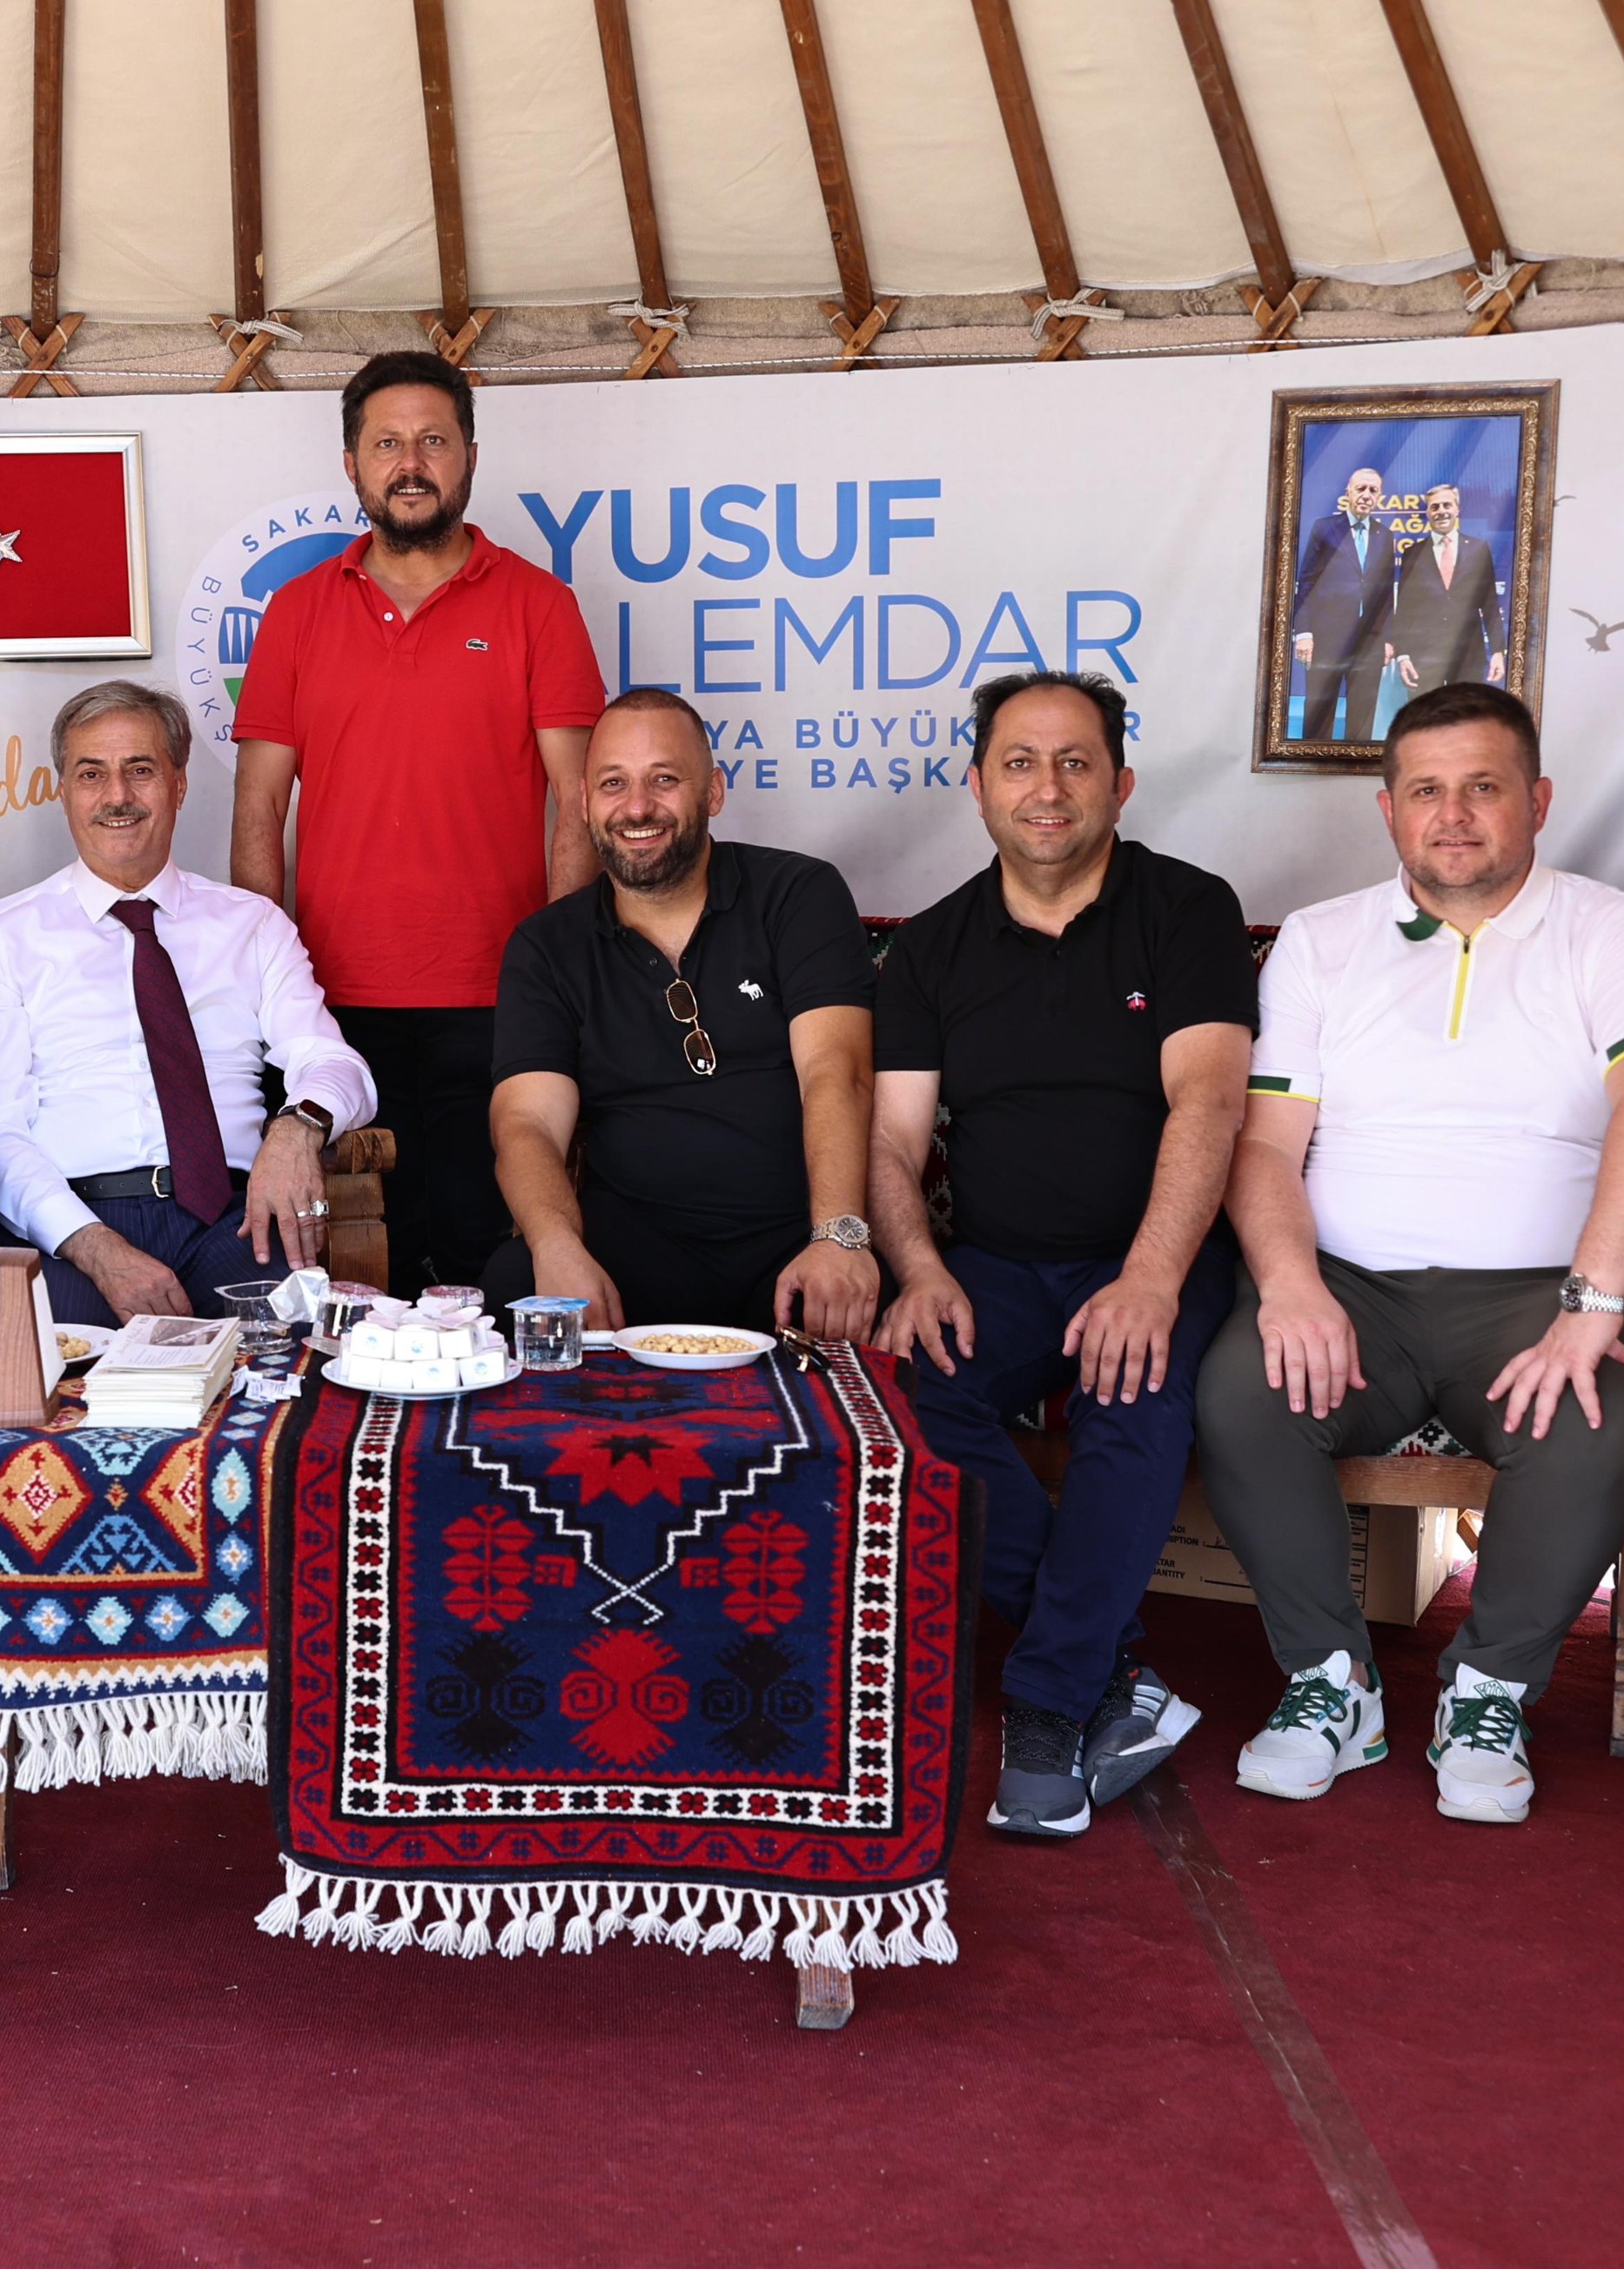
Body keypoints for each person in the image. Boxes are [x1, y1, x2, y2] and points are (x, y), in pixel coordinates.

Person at [1196, 682, 1624, 1825]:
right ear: (1388, 811)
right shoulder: (1321, 939)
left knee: (1588, 1423)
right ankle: (1332, 1683)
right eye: (1426, 790)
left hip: (1539, 1294)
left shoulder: (1617, 930)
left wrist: (1591, 1304)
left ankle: (1489, 1693)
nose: (1453, 813)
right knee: (1241, 1391)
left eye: (1483, 786)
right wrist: (1289, 1285)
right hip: (1352, 1289)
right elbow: (1264, 1145)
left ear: (1540, 800)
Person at [870, 673, 1254, 1839]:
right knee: (903, 1393)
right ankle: (1112, 1667)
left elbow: (1208, 1101)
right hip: (991, 1263)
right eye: (1021, 762)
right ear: (978, 784)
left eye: (1076, 761)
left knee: (1130, 1388)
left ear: (1121, 784)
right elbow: (891, 1143)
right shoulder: (931, 948)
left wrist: (1150, 1279)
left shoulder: (1186, 909)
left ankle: (1044, 1706)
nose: (1049, 787)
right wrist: (919, 1268)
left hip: (1152, 1255)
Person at [230, 347, 606, 1295]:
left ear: (469, 457)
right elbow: (259, 804)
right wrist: (259, 983)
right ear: (351, 464)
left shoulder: (540, 605)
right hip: (332, 1007)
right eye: (386, 443)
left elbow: (578, 799)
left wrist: (560, 966)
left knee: (490, 1264)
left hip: (500, 996)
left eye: (433, 441)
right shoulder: (296, 612)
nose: (410, 463)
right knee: (357, 1278)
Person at [0, 681, 375, 1326]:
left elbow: (335, 1065)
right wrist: (92, 1246)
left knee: (298, 1355)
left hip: (234, 1221)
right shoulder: (5, 933)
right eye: (91, 774)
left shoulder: (251, 924)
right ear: (63, 791)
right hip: (73, 1224)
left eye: (141, 770)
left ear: (179, 786)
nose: (117, 795)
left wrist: (299, 1126)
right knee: (64, 1373)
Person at [486, 688, 879, 1339]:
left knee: (890, 1324)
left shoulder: (798, 893)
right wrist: (556, 1247)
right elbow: (525, 1123)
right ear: (584, 801)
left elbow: (838, 1072)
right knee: (513, 1284)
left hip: (792, 1241)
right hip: (634, 1249)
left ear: (714, 792)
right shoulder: (546, 945)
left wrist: (838, 1236)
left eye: (664, 779)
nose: (637, 807)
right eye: (613, 783)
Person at [1288, 465, 1399, 742]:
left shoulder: (1385, 536)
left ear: (1379, 497)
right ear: (1347, 492)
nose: (1366, 495)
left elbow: (1386, 594)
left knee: (1362, 720)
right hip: (1328, 636)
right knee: (1319, 715)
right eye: (1361, 488)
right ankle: (1313, 765)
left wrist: (1388, 639)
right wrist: (1304, 632)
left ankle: (1353, 766)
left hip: (1370, 641)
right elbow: (1307, 582)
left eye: (1373, 490)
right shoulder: (1325, 528)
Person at [1383, 483, 1506, 697]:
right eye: (1435, 507)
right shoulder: (1412, 554)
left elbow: (1490, 605)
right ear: (1428, 513)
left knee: (1466, 714)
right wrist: (1403, 655)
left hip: (1469, 656)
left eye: (1447, 505)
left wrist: (1497, 651)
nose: (1441, 511)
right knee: (1427, 716)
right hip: (1424, 660)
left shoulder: (1478, 549)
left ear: (1457, 509)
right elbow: (1404, 611)